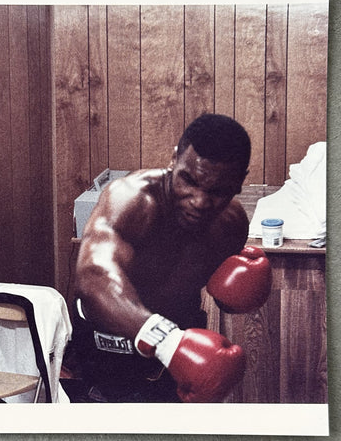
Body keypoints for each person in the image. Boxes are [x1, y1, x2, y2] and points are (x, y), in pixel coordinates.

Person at [66, 113, 271, 403]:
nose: (199, 201)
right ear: (175, 159)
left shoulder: (231, 225)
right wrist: (165, 339)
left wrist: (236, 296)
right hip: (108, 346)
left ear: (240, 181)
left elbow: (222, 293)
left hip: (176, 348)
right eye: (189, 180)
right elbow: (94, 278)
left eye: (217, 191)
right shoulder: (132, 200)